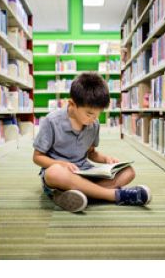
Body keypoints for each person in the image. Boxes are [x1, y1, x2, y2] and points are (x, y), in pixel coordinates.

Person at [33, 72, 151, 212]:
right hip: (61, 175)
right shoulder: (51, 121)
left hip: (85, 172)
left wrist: (106, 159)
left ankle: (76, 195)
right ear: (72, 103)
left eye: (98, 114)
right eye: (89, 114)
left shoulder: (94, 124)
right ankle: (113, 195)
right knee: (55, 173)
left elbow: (91, 154)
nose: (93, 118)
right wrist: (61, 164)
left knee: (128, 171)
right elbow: (37, 157)